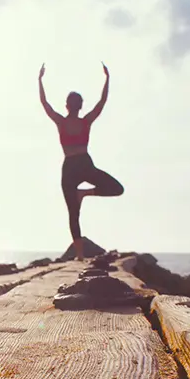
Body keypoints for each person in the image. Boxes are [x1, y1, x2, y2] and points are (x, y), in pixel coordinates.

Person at [38, 61, 124, 261]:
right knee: (116, 188)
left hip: (70, 166)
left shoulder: (61, 121)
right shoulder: (85, 121)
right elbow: (102, 103)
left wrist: (40, 81)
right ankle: (85, 193)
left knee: (72, 212)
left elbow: (45, 104)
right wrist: (107, 80)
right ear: (80, 106)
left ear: (67, 105)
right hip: (84, 164)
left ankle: (79, 255)